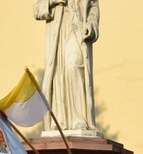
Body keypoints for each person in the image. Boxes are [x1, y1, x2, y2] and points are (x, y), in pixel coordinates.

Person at [33, 0, 99, 132]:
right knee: (58, 75)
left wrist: (91, 25)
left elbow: (93, 6)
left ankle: (79, 120)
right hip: (56, 30)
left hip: (77, 30)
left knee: (73, 66)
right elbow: (36, 10)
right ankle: (59, 121)